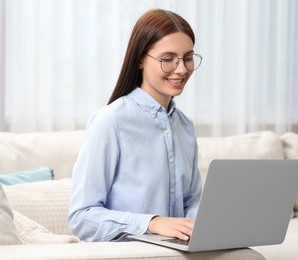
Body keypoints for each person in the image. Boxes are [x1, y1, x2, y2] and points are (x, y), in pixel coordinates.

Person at [68, 8, 203, 242]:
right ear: (140, 59)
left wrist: (201, 223)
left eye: (188, 58)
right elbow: (81, 216)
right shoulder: (110, 122)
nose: (181, 69)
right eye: (168, 58)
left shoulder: (185, 126)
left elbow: (192, 201)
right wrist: (152, 223)